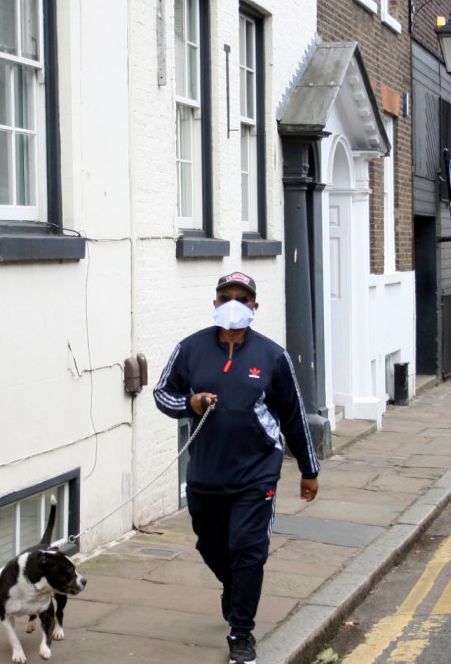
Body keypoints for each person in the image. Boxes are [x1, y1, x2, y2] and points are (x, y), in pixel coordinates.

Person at [153, 271, 320, 664]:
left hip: (256, 473)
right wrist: (190, 404)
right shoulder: (190, 349)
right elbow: (162, 393)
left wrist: (309, 470)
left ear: (254, 308)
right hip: (206, 473)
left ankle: (241, 634)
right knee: (212, 547)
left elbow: (294, 415)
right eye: (225, 296)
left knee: (249, 550)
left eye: (242, 299)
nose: (233, 303)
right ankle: (232, 585)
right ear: (214, 303)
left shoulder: (272, 356)